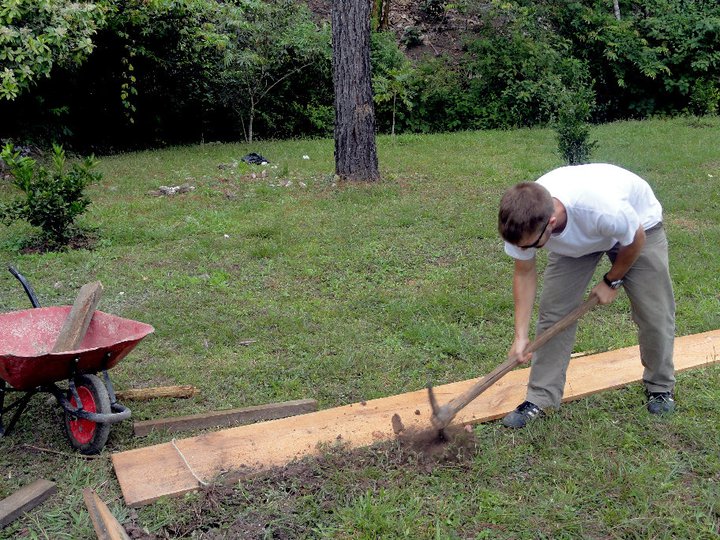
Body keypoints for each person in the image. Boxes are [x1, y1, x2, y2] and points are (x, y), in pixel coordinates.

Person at [497, 163, 676, 428]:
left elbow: (635, 238)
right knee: (554, 313)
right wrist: (520, 335)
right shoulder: (524, 222)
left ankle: (660, 386)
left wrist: (612, 280)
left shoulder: (604, 209)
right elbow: (524, 273)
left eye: (532, 245)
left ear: (552, 223)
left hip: (638, 228)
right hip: (580, 242)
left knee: (654, 311)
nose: (526, 250)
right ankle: (541, 398)